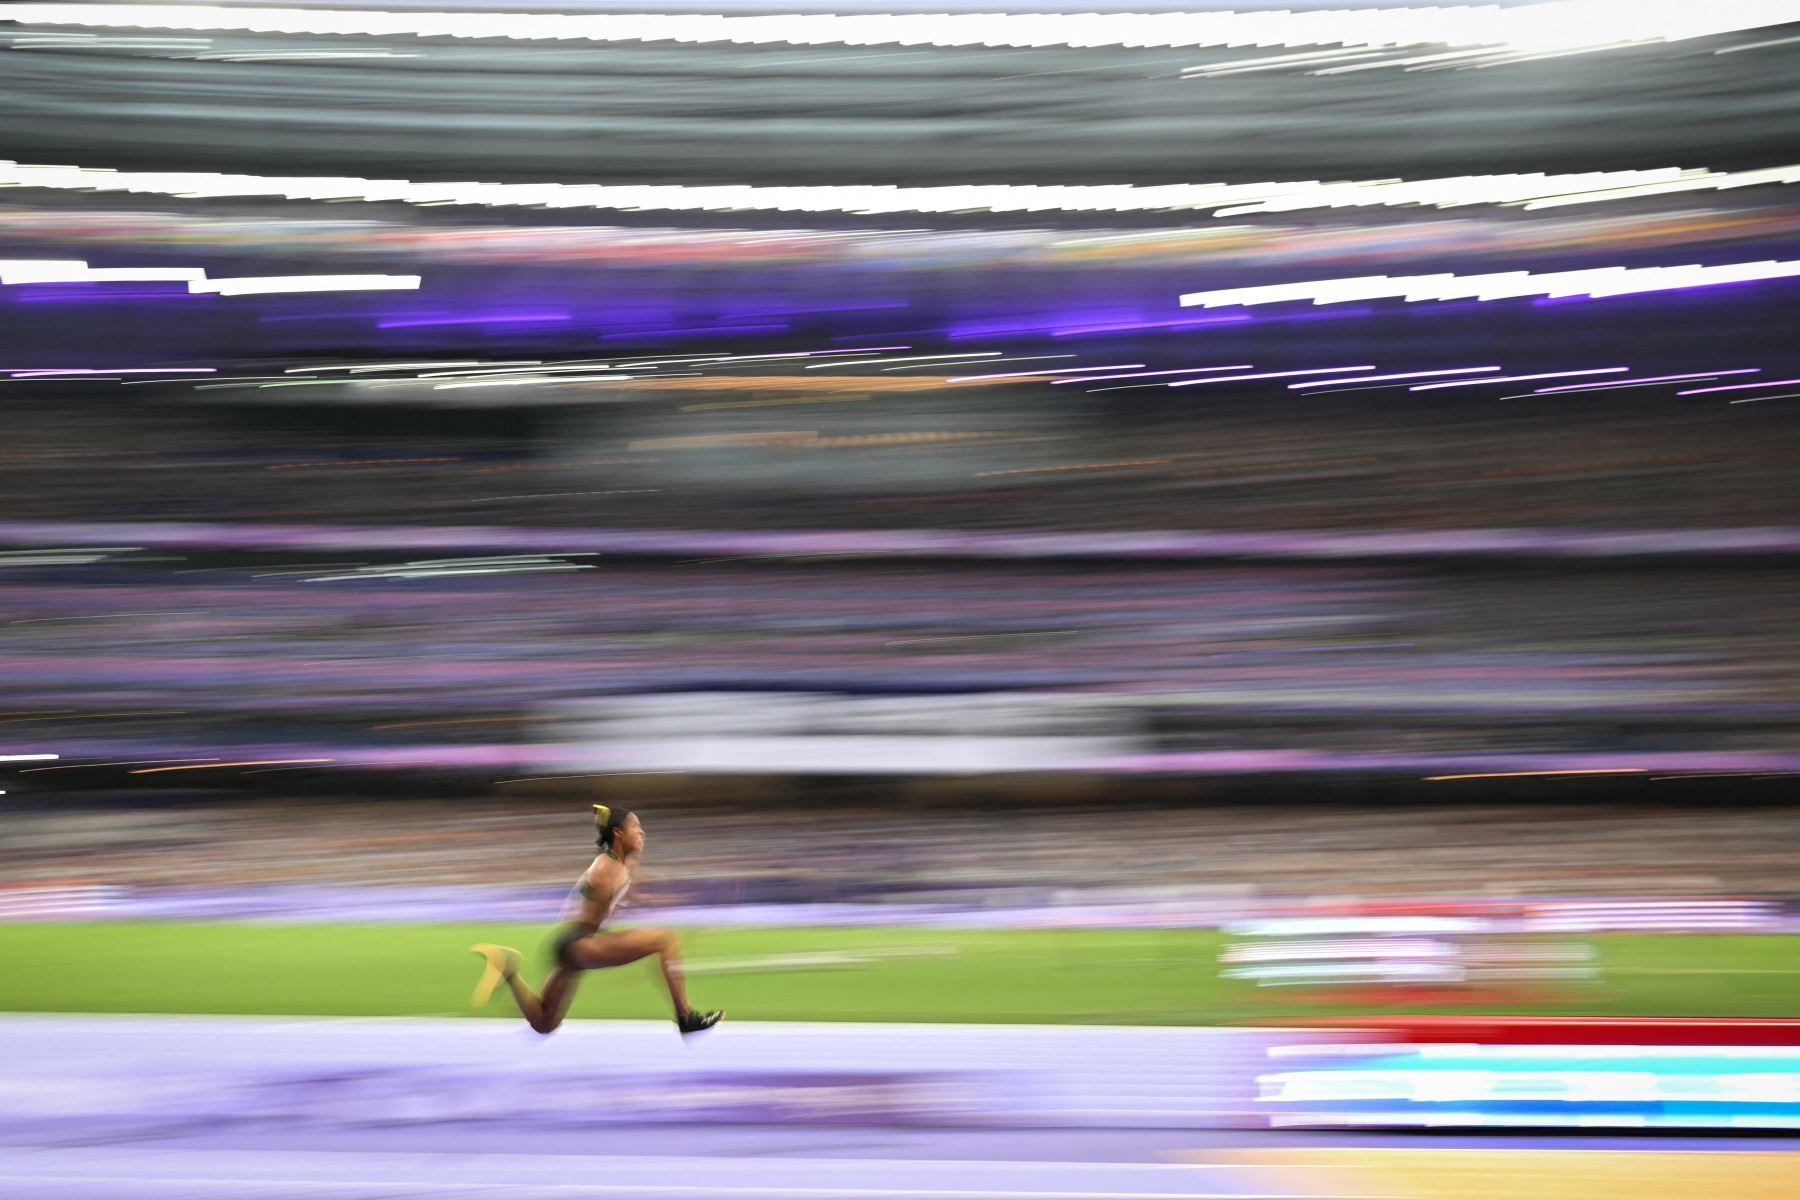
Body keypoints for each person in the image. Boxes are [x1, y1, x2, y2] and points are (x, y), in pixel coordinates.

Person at [470, 805, 723, 1036]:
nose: (642, 832)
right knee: (666, 940)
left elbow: (616, 892)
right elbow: (602, 890)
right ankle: (685, 1017)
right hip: (580, 943)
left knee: (545, 1023)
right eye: (635, 826)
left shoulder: (618, 864)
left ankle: (508, 969)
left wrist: (641, 898)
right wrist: (623, 903)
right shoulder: (606, 866)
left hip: (569, 944)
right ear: (618, 833)